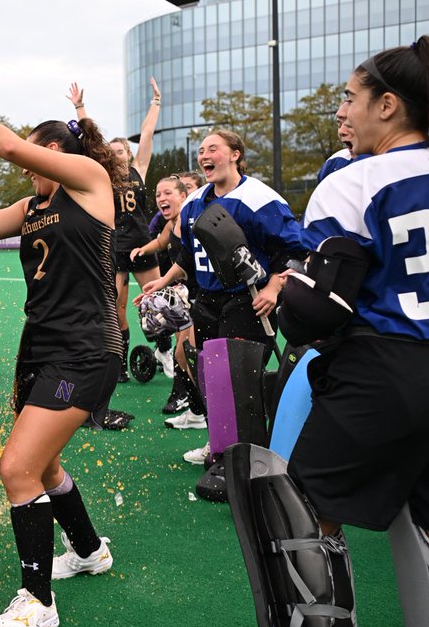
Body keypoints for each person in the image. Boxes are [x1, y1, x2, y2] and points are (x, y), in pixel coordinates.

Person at [288, 36, 429, 627]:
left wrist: (285, 289)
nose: (342, 114)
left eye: (349, 99)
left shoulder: (354, 182)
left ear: (387, 104)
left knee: (304, 509)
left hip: (390, 372)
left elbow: (320, 312)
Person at [0, 93, 121, 627]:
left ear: (52, 152)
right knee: (45, 465)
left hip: (85, 350)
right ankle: (88, 551)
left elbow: (9, 145)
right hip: (38, 347)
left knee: (17, 468)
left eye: (34, 159)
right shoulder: (32, 207)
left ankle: (38, 601)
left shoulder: (88, 180)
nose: (25, 169)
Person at [141, 130, 304, 438]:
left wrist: (273, 289)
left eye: (212, 149)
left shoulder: (260, 199)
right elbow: (189, 254)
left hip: (248, 299)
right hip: (207, 300)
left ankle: (246, 454)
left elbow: (294, 253)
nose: (204, 155)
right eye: (201, 150)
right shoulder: (193, 202)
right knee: (209, 378)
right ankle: (220, 442)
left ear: (234, 154)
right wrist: (162, 280)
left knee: (238, 381)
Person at [71, 78, 163, 386]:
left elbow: (147, 134)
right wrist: (80, 107)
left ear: (127, 152)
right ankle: (119, 363)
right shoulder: (101, 177)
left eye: (121, 149)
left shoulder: (139, 169)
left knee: (159, 302)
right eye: (112, 151)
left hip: (143, 245)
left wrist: (156, 104)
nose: (116, 153)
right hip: (115, 249)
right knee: (116, 307)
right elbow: (91, 141)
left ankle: (164, 349)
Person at [130, 175, 195, 415]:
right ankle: (196, 406)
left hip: (200, 297)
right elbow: (160, 242)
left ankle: (200, 407)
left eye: (168, 193)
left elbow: (190, 263)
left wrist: (163, 283)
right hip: (186, 296)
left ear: (182, 196)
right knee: (183, 353)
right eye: (158, 194)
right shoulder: (172, 224)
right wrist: (142, 249)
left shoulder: (191, 221)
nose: (161, 198)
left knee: (188, 354)